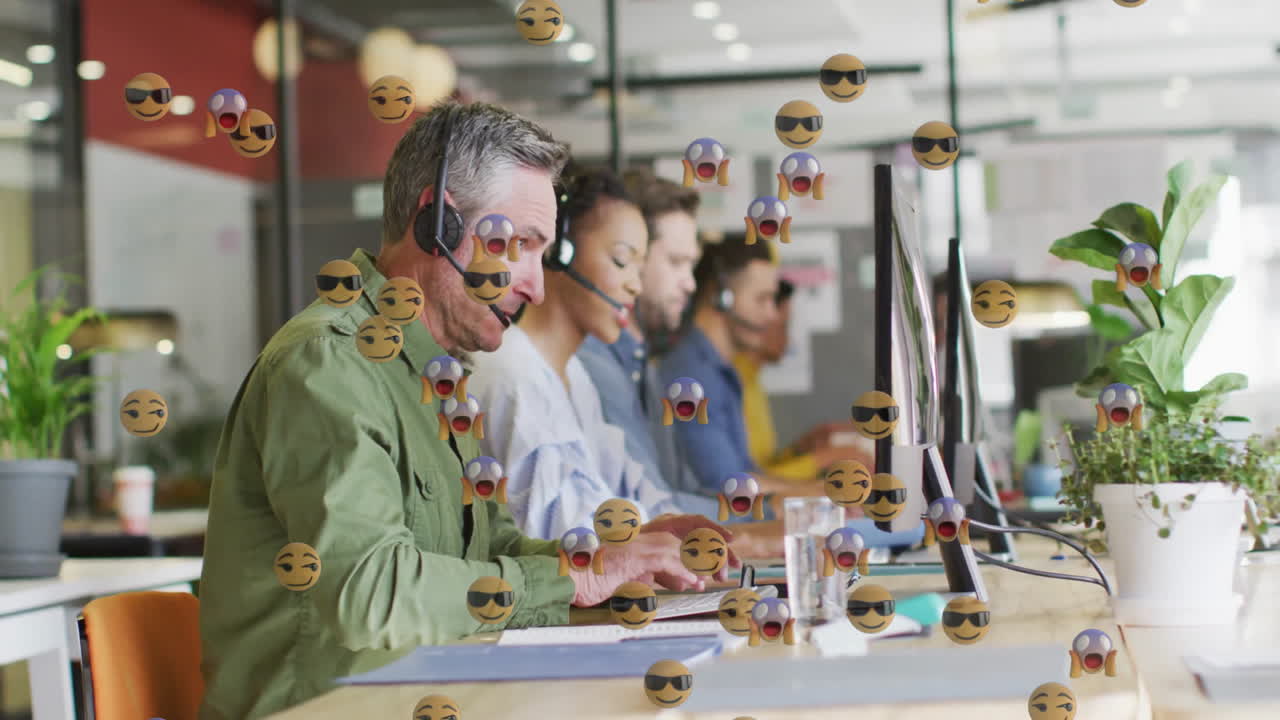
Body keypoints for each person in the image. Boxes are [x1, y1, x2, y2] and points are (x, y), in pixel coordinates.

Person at [199, 104, 728, 720]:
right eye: (517, 246)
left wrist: (615, 560)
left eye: (542, 251)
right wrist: (575, 581)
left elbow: (489, 552)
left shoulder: (439, 375)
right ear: (437, 225)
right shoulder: (329, 364)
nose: (533, 284)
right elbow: (369, 594)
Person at [574, 168, 716, 517]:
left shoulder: (644, 368)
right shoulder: (591, 365)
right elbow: (652, 508)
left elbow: (681, 489)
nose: (690, 284)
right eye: (676, 262)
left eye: (691, 265)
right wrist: (772, 521)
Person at [660, 233, 829, 506]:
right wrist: (822, 493)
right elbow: (728, 486)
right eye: (762, 300)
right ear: (721, 298)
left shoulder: (720, 371)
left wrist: (820, 490)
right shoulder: (692, 377)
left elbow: (750, 476)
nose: (772, 315)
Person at [733, 278, 875, 480]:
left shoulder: (753, 381)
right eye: (784, 326)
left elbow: (762, 468)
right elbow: (744, 482)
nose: (788, 339)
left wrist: (801, 448)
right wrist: (823, 458)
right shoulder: (732, 381)